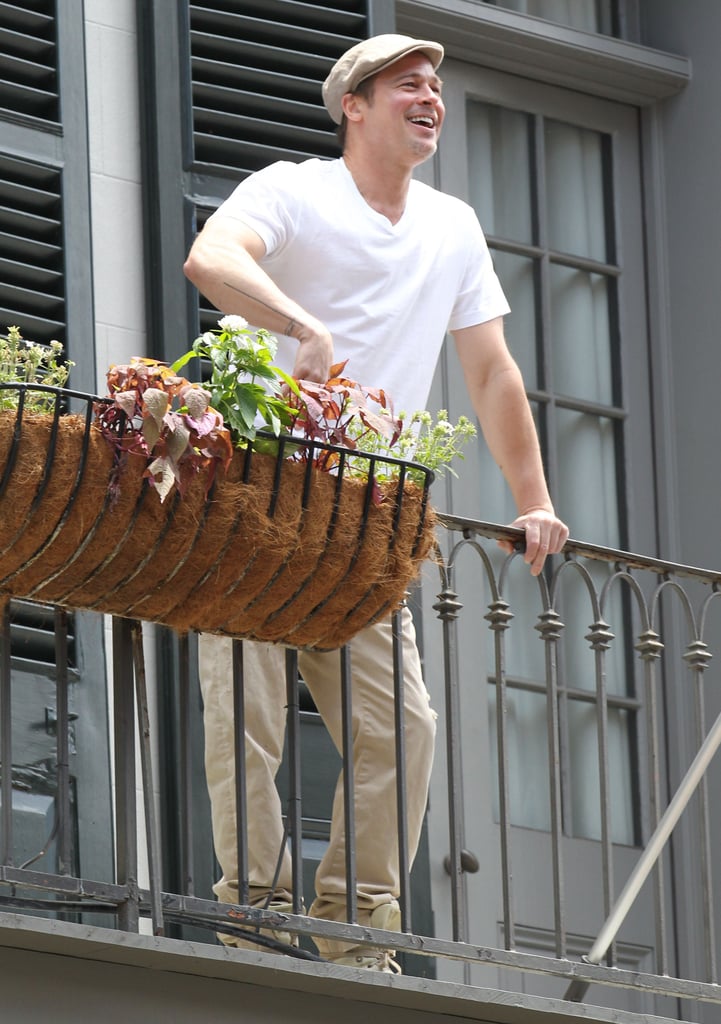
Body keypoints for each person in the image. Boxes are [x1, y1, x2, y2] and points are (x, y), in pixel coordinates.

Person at [183, 34, 569, 973]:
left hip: (363, 513)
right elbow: (211, 256)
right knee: (250, 710)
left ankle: (356, 927)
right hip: (251, 489)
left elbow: (491, 369)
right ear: (353, 105)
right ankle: (259, 916)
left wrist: (535, 499)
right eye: (407, 86)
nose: (429, 98)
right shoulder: (294, 189)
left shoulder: (451, 226)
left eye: (435, 86)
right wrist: (296, 323)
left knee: (403, 724)